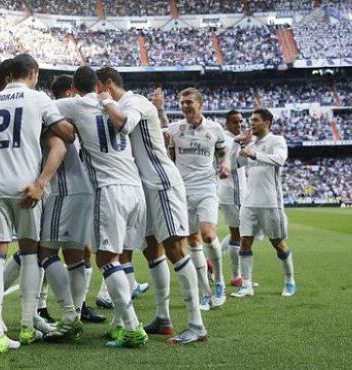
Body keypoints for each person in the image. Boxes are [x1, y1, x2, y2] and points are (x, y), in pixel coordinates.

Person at [96, 67, 207, 345]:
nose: (96, 93)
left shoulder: (134, 102)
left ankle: (196, 323)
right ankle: (163, 318)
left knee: (175, 249)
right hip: (144, 187)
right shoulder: (123, 103)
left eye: (98, 87)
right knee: (152, 251)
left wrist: (106, 101)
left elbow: (125, 125)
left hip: (162, 183)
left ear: (107, 84)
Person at [0, 53, 74, 354]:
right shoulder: (38, 99)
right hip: (26, 185)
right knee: (31, 254)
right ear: (32, 73)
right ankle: (28, 325)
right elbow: (67, 134)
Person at [52, 66, 148, 348]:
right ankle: (119, 324)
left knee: (106, 260)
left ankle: (132, 326)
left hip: (109, 191)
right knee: (119, 258)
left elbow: (45, 107)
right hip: (135, 189)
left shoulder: (76, 103)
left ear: (75, 88)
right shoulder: (115, 105)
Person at [42, 74, 105, 325]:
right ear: (70, 92)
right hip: (62, 189)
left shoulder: (72, 117)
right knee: (47, 251)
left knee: (65, 252)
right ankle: (44, 306)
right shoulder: (55, 116)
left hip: (71, 189)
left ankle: (75, 311)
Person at [167, 88, 231, 311]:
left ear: (200, 104)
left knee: (208, 234)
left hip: (206, 188)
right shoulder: (175, 129)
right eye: (182, 102)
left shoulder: (215, 129)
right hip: (182, 191)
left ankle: (220, 281)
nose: (185, 106)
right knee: (192, 241)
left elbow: (223, 152)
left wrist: (225, 164)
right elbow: (167, 151)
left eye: (189, 102)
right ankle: (205, 292)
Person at [231, 109, 297, 298]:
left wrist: (254, 155)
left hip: (270, 202)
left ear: (267, 122)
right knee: (245, 242)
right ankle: (247, 285)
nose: (251, 123)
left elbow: (280, 160)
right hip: (249, 202)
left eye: (255, 120)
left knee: (278, 243)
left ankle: (289, 281)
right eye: (250, 120)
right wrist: (237, 143)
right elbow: (234, 164)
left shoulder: (277, 141)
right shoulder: (251, 144)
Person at [217, 110, 247, 287]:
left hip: (238, 192)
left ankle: (212, 261)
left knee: (242, 232)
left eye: (241, 122)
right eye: (235, 122)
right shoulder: (226, 140)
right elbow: (231, 164)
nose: (239, 125)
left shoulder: (235, 139)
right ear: (227, 123)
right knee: (238, 235)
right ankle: (237, 276)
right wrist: (239, 144)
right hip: (231, 192)